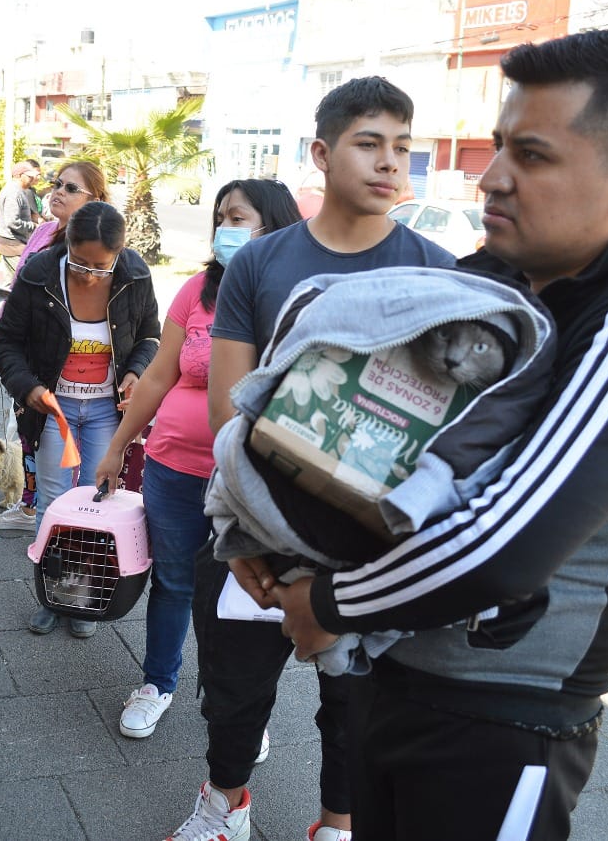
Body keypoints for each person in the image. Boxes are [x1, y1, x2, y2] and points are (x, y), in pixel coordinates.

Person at [271, 31, 608, 841]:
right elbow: (351, 430)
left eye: (533, 156)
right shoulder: (482, 287)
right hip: (394, 681)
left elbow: (502, 546)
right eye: (501, 145)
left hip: (504, 725)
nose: (493, 175)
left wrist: (328, 603)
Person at [170, 76, 457, 841]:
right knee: (231, 689)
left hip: (373, 543)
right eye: (370, 143)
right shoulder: (260, 264)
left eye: (403, 147)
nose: (390, 162)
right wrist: (249, 537)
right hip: (253, 525)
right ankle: (223, 804)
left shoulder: (438, 269)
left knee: (356, 702)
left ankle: (337, 824)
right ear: (322, 154)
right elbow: (229, 411)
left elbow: (443, 429)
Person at [92, 179, 302, 742]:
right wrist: (117, 447)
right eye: (222, 218)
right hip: (171, 468)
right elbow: (160, 374)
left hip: (248, 482)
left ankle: (237, 709)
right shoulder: (195, 291)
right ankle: (158, 683)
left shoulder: (296, 299)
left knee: (244, 597)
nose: (226, 229)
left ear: (275, 227)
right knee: (174, 582)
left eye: (239, 217)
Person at [0, 201, 160, 640]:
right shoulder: (39, 274)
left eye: (102, 267)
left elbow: (149, 337)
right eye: (80, 262)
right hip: (53, 412)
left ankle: (85, 594)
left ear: (120, 255)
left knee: (97, 503)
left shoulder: (135, 275)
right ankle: (51, 595)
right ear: (66, 246)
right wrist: (28, 388)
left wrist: (137, 370)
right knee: (53, 504)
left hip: (106, 409)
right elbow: (5, 342)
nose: (89, 275)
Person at [0, 159, 109, 533]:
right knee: (27, 438)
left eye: (72, 188)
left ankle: (62, 528)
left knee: (82, 476)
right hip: (30, 364)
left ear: (96, 200)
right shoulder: (44, 234)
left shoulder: (109, 249)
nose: (58, 192)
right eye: (57, 184)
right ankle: (33, 511)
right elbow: (22, 290)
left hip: (76, 380)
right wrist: (2, 344)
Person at [0, 161, 40, 274]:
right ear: (19, 176)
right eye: (29, 177)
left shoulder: (18, 191)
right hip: (12, 245)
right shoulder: (13, 193)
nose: (32, 179)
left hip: (15, 245)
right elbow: (12, 222)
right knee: (21, 281)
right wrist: (33, 226)